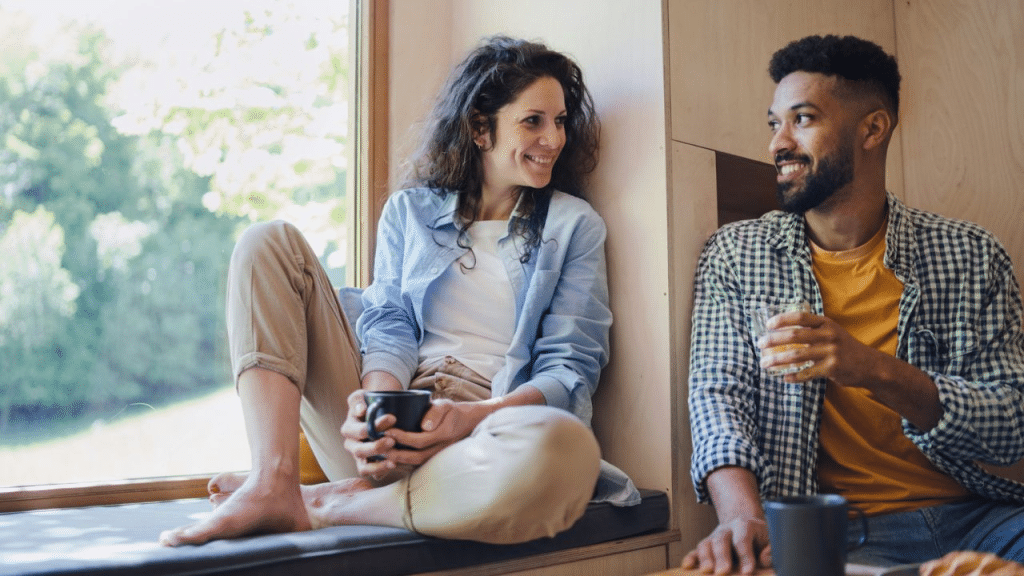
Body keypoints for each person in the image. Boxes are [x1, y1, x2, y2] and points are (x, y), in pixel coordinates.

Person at [160, 35, 638, 548]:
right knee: (266, 242)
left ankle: (331, 502)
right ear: (480, 128)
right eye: (533, 121)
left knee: (566, 447)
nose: (554, 138)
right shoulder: (409, 212)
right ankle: (273, 480)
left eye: (560, 121)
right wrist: (374, 407)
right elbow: (388, 321)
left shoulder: (573, 226)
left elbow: (569, 367)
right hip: (391, 415)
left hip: (482, 433)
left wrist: (466, 419)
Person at [683, 34, 1024, 573]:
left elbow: (1013, 419)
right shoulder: (736, 253)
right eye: (774, 123)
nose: (777, 143)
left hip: (983, 521)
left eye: (803, 119)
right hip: (840, 533)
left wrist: (870, 369)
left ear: (873, 128)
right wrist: (740, 517)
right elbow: (717, 398)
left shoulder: (971, 255)